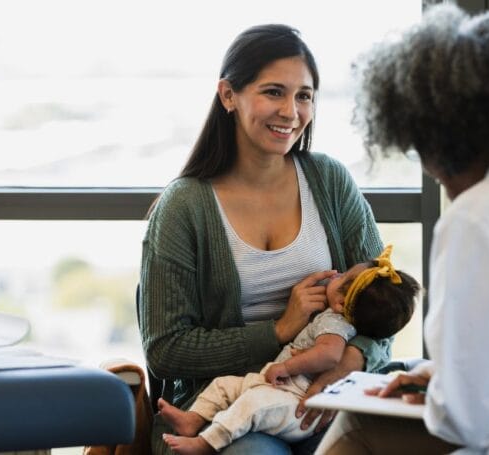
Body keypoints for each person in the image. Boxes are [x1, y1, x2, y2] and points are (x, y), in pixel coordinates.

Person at [316, 3, 489, 454]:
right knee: (408, 370)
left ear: (438, 136)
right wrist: (439, 379)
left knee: (356, 423)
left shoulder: (480, 216)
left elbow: (467, 423)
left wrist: (444, 393)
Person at [139, 23, 391, 455]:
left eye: (304, 95)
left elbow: (384, 294)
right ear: (228, 95)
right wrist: (278, 330)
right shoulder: (184, 207)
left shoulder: (330, 181)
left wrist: (345, 366)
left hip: (325, 398)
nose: (291, 111)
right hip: (218, 412)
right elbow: (166, 350)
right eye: (273, 92)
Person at [158, 246, 419, 454]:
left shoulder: (334, 324)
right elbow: (165, 350)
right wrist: (278, 330)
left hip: (295, 401)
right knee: (223, 386)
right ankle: (193, 419)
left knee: (252, 405)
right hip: (272, 385)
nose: (336, 274)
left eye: (344, 277)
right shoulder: (335, 317)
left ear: (341, 303)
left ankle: (205, 443)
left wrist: (351, 358)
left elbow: (331, 354)